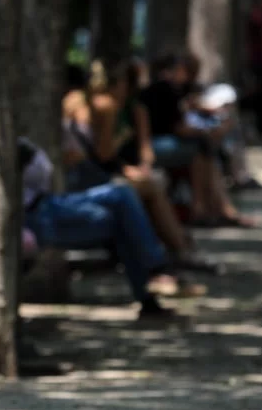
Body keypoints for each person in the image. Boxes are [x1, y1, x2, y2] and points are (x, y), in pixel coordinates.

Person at [64, 61, 217, 281]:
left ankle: (173, 249)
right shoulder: (106, 106)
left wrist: (131, 168)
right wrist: (122, 150)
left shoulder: (75, 100)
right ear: (118, 84)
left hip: (85, 174)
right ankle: (172, 254)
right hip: (87, 179)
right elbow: (104, 154)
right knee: (150, 189)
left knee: (150, 184)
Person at [20, 137, 182, 320]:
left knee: (123, 203)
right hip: (38, 215)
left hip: (50, 207)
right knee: (122, 206)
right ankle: (156, 270)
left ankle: (154, 278)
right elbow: (48, 170)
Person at [139, 54, 257, 228]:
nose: (190, 75)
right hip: (154, 145)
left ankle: (214, 208)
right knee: (199, 148)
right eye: (187, 70)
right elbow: (178, 128)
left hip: (165, 142)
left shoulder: (178, 90)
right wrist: (206, 132)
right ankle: (204, 209)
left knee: (203, 149)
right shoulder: (164, 89)